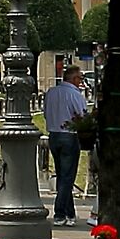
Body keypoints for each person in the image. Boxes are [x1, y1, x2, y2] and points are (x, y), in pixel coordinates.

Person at [43, 63, 90, 224]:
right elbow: (82, 116)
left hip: (53, 136)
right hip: (69, 136)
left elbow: (45, 113)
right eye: (80, 78)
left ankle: (70, 214)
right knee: (67, 177)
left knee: (62, 175)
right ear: (75, 79)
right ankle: (59, 213)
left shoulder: (51, 93)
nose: (81, 82)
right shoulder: (75, 95)